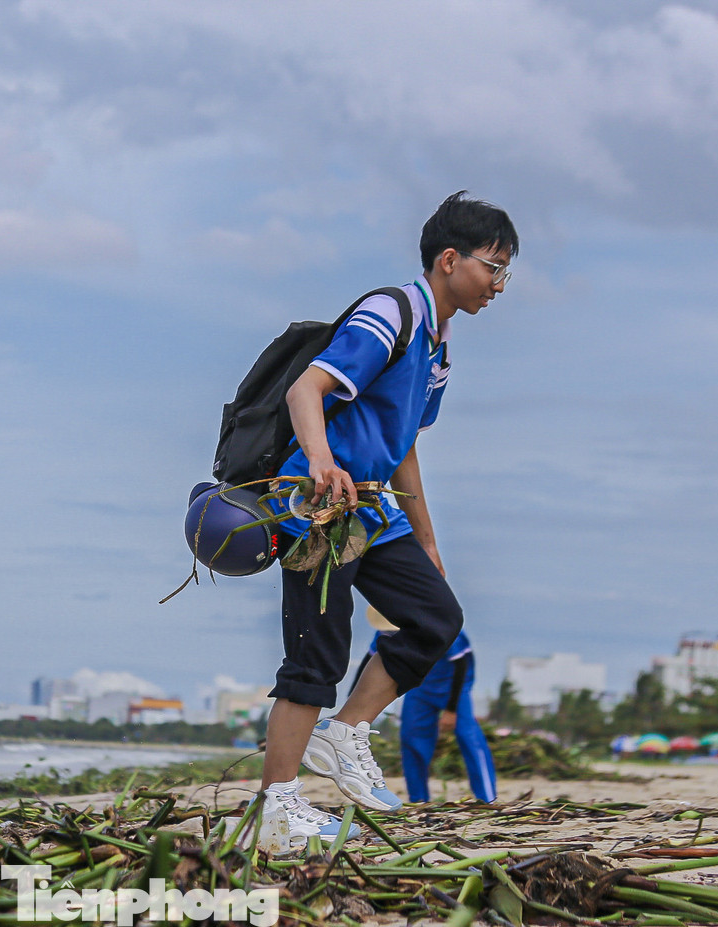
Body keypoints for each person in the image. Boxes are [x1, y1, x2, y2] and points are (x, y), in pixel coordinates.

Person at [255, 192, 518, 850]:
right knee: (316, 650)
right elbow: (306, 389)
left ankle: (345, 731)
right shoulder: (391, 313)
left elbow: (404, 446)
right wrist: (321, 461)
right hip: (319, 504)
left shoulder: (439, 345)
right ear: (450, 259)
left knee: (436, 619)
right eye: (493, 266)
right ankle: (275, 806)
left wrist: (427, 539)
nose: (498, 284)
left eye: (506, 271)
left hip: (374, 507)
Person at [353, 614, 497, 803]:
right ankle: (418, 799)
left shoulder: (440, 626)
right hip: (420, 687)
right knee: (411, 738)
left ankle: (487, 798)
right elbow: (369, 660)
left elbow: (461, 664)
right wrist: (352, 700)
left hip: (453, 686)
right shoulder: (385, 630)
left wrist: (451, 710)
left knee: (467, 736)